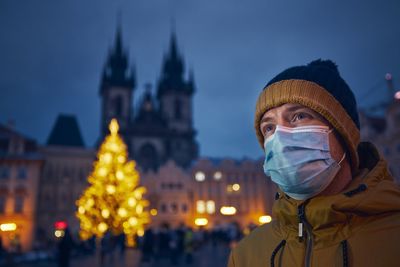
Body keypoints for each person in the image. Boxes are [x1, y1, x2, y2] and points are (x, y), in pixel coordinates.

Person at [227, 59, 400, 267]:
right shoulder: (246, 255)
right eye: (269, 128)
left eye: (299, 116)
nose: (280, 138)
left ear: (343, 134)